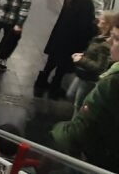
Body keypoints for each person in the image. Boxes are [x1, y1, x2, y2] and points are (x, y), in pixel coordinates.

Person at [51, 36, 119, 171]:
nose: (110, 42)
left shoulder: (112, 83)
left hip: (97, 159)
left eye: (117, 38)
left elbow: (78, 133)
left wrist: (56, 131)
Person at [38, 0, 98, 99]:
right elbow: (86, 26)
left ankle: (41, 81)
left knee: (52, 60)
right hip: (72, 40)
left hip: (61, 33)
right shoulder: (86, 2)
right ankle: (55, 86)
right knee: (63, 64)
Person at [69, 13, 119, 112]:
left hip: (89, 78)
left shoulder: (105, 45)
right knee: (72, 96)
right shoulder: (99, 37)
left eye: (116, 39)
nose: (111, 42)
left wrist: (81, 60)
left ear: (108, 25)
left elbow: (99, 67)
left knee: (79, 105)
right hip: (85, 74)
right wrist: (83, 55)